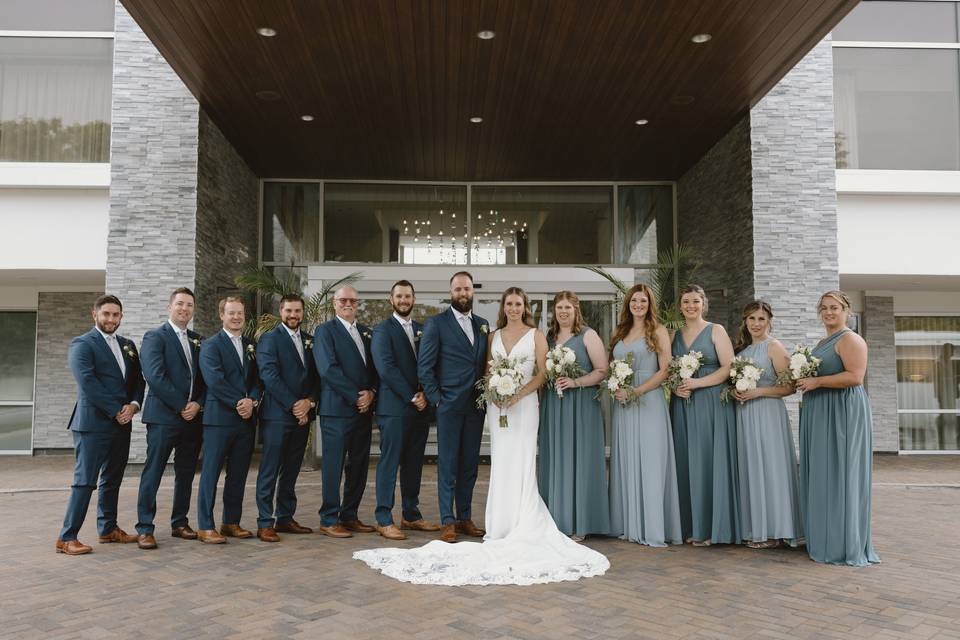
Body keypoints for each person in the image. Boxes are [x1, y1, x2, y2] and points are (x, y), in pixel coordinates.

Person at [354, 287, 610, 586]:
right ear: (503, 307)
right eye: (509, 303)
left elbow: (541, 374)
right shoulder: (492, 335)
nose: (514, 308)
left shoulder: (537, 336)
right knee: (501, 463)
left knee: (523, 461)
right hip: (497, 406)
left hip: (525, 407)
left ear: (525, 306)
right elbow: (487, 372)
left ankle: (522, 521)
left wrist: (518, 394)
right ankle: (499, 524)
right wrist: (497, 392)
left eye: (519, 303)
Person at [56, 294, 145, 555]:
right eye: (106, 314)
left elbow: (138, 381)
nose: (111, 319)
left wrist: (133, 405)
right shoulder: (82, 344)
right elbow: (88, 383)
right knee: (85, 481)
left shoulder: (127, 345)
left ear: (121, 317)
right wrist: (116, 409)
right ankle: (67, 537)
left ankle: (108, 529)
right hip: (93, 424)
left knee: (112, 478)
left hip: (122, 423)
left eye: (116, 314)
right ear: (94, 314)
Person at [796, 290, 880, 566]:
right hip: (820, 412)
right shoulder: (823, 341)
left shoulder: (851, 339)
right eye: (824, 308)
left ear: (847, 311)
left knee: (840, 472)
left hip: (842, 412)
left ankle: (842, 543)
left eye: (834, 308)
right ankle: (822, 536)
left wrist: (817, 383)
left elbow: (855, 377)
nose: (829, 312)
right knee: (822, 472)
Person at [415, 271, 490, 543]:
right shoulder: (437, 324)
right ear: (451, 292)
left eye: (467, 289)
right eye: (458, 289)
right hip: (449, 405)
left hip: (475, 407)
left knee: (470, 464)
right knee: (447, 463)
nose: (463, 293)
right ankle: (447, 520)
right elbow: (425, 367)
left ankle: (464, 517)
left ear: (473, 291)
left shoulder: (483, 324)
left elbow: (483, 364)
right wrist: (437, 399)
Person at [609, 284, 683, 547]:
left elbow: (665, 370)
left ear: (650, 304)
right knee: (627, 458)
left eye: (643, 301)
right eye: (634, 300)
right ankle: (628, 524)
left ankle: (652, 526)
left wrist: (637, 391)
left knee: (650, 460)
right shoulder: (620, 332)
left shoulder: (659, 331)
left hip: (648, 399)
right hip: (624, 404)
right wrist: (617, 387)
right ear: (628, 304)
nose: (638, 305)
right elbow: (613, 367)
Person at [135, 287, 206, 549]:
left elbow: (205, 379)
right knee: (153, 472)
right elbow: (155, 376)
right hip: (164, 417)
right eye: (180, 304)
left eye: (189, 305)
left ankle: (180, 522)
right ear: (169, 307)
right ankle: (144, 527)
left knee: (186, 472)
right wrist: (181, 405)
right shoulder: (155, 336)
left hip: (192, 419)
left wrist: (198, 404)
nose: (184, 309)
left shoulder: (199, 340)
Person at [670, 284, 741, 546]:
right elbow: (669, 370)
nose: (690, 306)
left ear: (704, 304)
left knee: (710, 460)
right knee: (686, 461)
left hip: (711, 402)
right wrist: (677, 387)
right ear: (680, 305)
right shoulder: (674, 335)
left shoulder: (716, 330)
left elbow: (728, 368)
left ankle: (713, 529)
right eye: (686, 301)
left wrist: (698, 384)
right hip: (684, 404)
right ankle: (691, 526)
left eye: (695, 302)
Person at [370, 280, 439, 540]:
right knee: (389, 463)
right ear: (391, 299)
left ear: (414, 299)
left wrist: (426, 395)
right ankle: (383, 518)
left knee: (413, 464)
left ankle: (411, 515)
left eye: (407, 296)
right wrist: (412, 396)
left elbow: (431, 365)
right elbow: (386, 369)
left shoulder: (423, 329)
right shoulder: (382, 331)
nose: (403, 300)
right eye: (399, 296)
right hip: (394, 409)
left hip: (420, 409)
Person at [538, 290, 610, 540]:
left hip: (580, 406)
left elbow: (602, 370)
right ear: (554, 311)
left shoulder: (588, 335)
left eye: (568, 307)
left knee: (580, 458)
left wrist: (576, 382)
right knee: (557, 457)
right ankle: (555, 520)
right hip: (554, 406)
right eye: (560, 308)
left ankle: (581, 521)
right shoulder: (548, 338)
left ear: (576, 310)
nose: (564, 311)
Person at [732, 301, 803, 549]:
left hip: (768, 413)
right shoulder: (741, 352)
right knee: (752, 467)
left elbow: (790, 386)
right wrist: (737, 393)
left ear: (769, 321)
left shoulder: (774, 347)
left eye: (761, 319)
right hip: (745, 415)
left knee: (771, 467)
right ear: (745, 321)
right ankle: (757, 527)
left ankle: (776, 530)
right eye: (751, 319)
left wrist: (758, 392)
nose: (756, 324)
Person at [313, 285, 378, 538]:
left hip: (363, 411)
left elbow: (375, 368)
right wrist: (355, 396)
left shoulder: (366, 333)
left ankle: (350, 515)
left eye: (353, 300)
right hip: (337, 411)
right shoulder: (324, 331)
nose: (348, 304)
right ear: (334, 303)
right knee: (333, 466)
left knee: (359, 466)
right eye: (343, 300)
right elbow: (328, 369)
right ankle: (329, 518)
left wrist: (371, 392)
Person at [254, 294, 320, 542]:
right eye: (289, 311)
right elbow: (269, 376)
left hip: (302, 416)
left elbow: (317, 376)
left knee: (291, 469)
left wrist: (309, 403)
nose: (293, 315)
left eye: (297, 311)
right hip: (277, 415)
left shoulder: (310, 341)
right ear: (281, 312)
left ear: (302, 313)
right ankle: (264, 521)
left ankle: (285, 517)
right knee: (270, 470)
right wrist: (295, 405)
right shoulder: (270, 340)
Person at [196, 296, 260, 544]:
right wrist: (240, 402)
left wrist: (252, 400)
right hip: (219, 419)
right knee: (210, 473)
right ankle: (205, 525)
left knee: (238, 473)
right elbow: (215, 380)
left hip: (245, 421)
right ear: (221, 315)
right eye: (231, 313)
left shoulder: (250, 344)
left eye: (240, 313)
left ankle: (231, 522)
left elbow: (257, 380)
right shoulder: (211, 345)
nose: (236, 317)